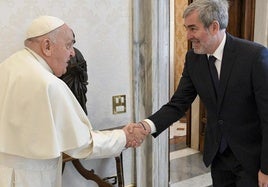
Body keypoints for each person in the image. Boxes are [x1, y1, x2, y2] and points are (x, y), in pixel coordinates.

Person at [131, 0, 268, 186]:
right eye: (186, 28)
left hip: (251, 160)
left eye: (193, 29)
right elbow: (178, 103)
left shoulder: (254, 56)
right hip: (218, 157)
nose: (187, 36)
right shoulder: (194, 58)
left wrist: (266, 168)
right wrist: (146, 126)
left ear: (214, 27)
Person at [0, 15, 147, 187]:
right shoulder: (48, 84)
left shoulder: (7, 66)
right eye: (68, 45)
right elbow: (83, 144)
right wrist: (124, 136)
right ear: (47, 46)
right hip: (32, 179)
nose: (72, 53)